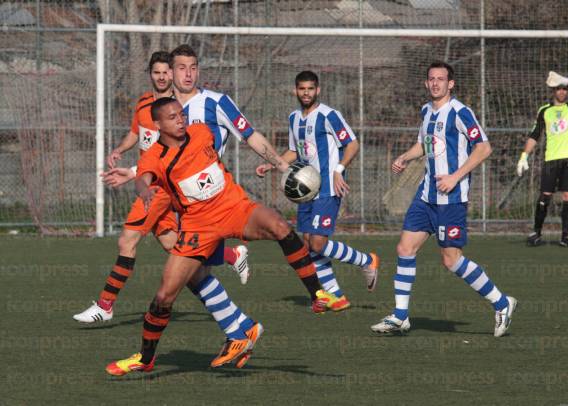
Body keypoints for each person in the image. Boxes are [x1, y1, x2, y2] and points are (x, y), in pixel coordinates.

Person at [105, 98, 334, 375]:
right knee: (165, 296)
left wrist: (280, 165)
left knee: (279, 226)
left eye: (181, 114)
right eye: (172, 117)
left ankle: (318, 294)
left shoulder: (202, 132)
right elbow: (145, 176)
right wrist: (143, 189)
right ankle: (146, 357)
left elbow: (250, 137)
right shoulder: (153, 156)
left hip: (234, 208)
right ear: (157, 125)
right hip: (197, 226)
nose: (180, 120)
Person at [73, 51, 248, 324]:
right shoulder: (145, 104)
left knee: (127, 241)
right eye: (157, 72)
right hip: (150, 181)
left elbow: (170, 155)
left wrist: (133, 176)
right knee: (171, 243)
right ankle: (230, 258)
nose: (163, 76)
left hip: (160, 188)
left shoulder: (177, 111)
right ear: (151, 75)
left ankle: (105, 304)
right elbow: (138, 135)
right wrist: (121, 151)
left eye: (167, 71)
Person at [370, 61, 517, 337]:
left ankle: (501, 302)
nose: (436, 83)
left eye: (441, 79)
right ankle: (400, 316)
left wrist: (455, 176)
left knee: (451, 260)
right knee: (405, 248)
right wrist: (405, 156)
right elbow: (424, 143)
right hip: (426, 196)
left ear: (451, 84)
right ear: (426, 83)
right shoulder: (426, 111)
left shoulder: (460, 112)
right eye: (431, 79)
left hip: (452, 198)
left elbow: (484, 148)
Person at [256, 71, 379, 311]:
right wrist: (273, 164)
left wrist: (339, 169)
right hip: (306, 190)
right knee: (308, 243)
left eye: (310, 89)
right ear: (295, 90)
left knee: (319, 244)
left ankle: (366, 260)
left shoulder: (329, 115)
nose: (306, 93)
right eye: (302, 89)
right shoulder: (293, 118)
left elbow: (352, 144)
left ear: (318, 90)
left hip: (328, 188)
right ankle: (336, 296)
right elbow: (295, 151)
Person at [517, 71, 568, 247]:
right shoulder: (545, 111)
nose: (562, 91)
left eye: (565, 89)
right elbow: (535, 134)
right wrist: (523, 156)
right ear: (553, 91)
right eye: (559, 88)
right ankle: (536, 233)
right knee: (545, 196)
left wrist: (566, 79)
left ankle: (565, 237)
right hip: (551, 160)